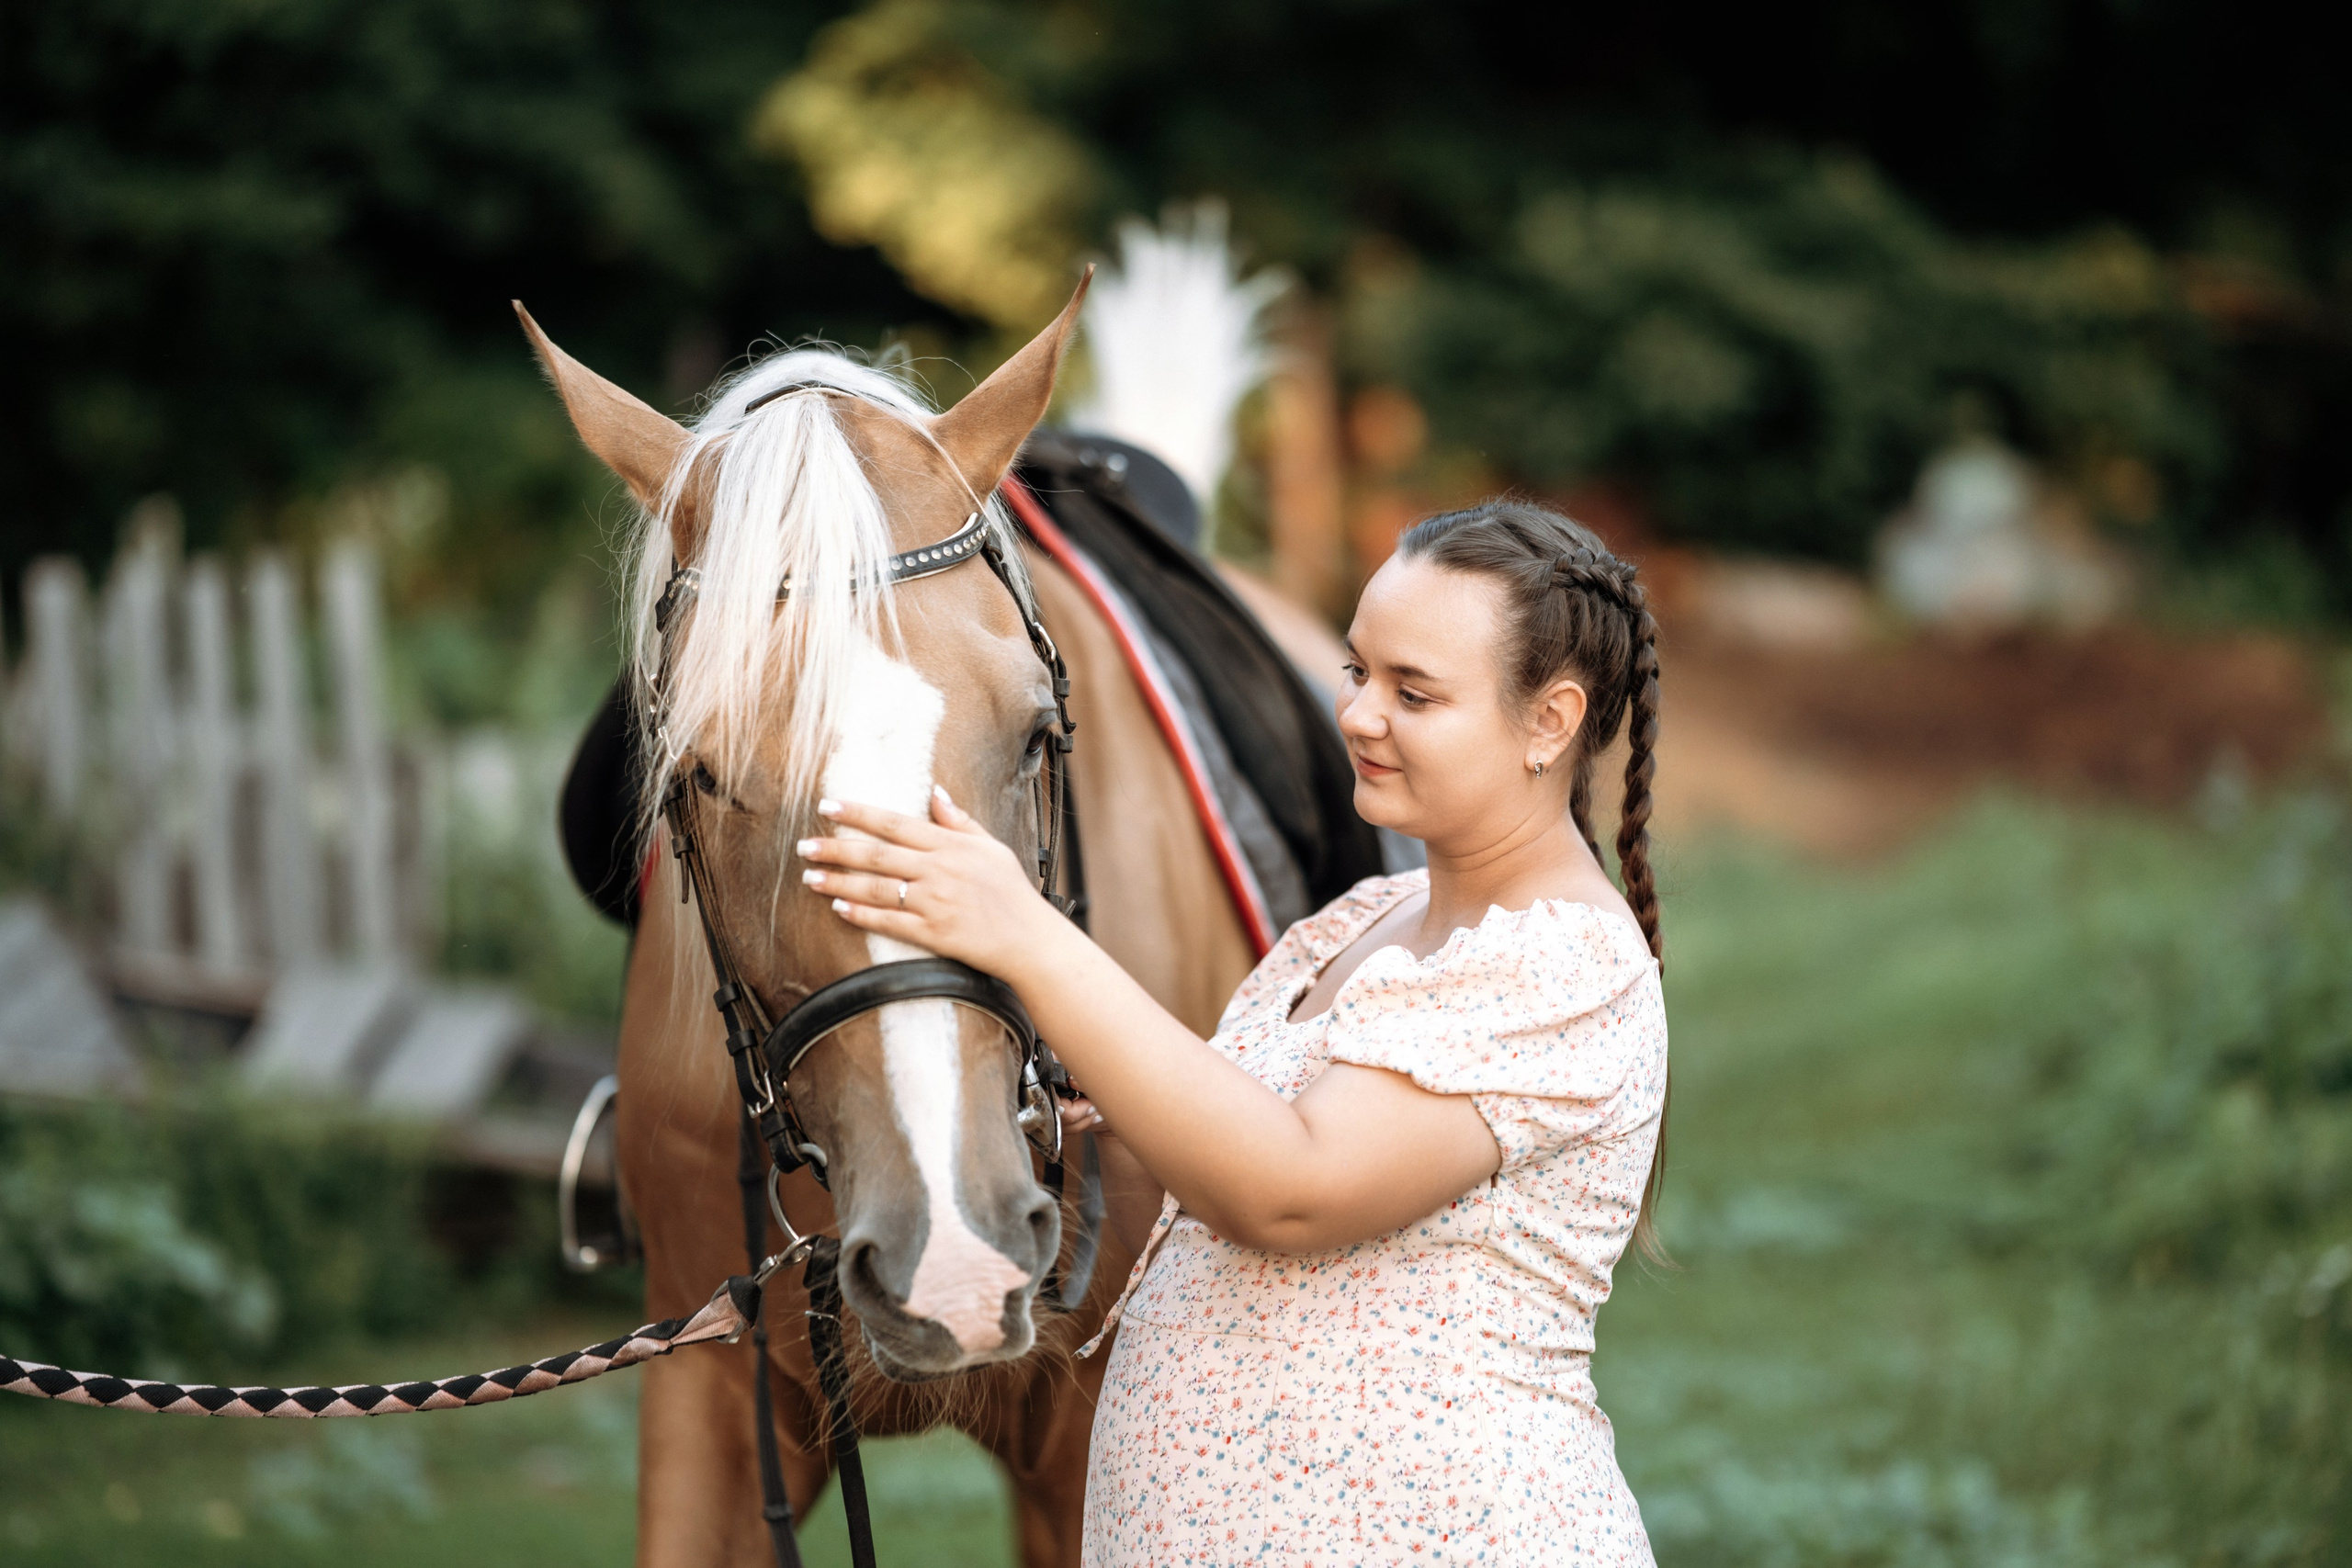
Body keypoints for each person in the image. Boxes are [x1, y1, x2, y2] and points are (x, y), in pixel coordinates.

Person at [801, 498, 1667, 1565]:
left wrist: (1023, 932)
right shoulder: (1355, 927)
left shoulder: (1558, 964)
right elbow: (1215, 1141)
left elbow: (1287, 1190)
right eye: (1356, 673)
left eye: (1415, 693)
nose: (1357, 715)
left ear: (1550, 722)